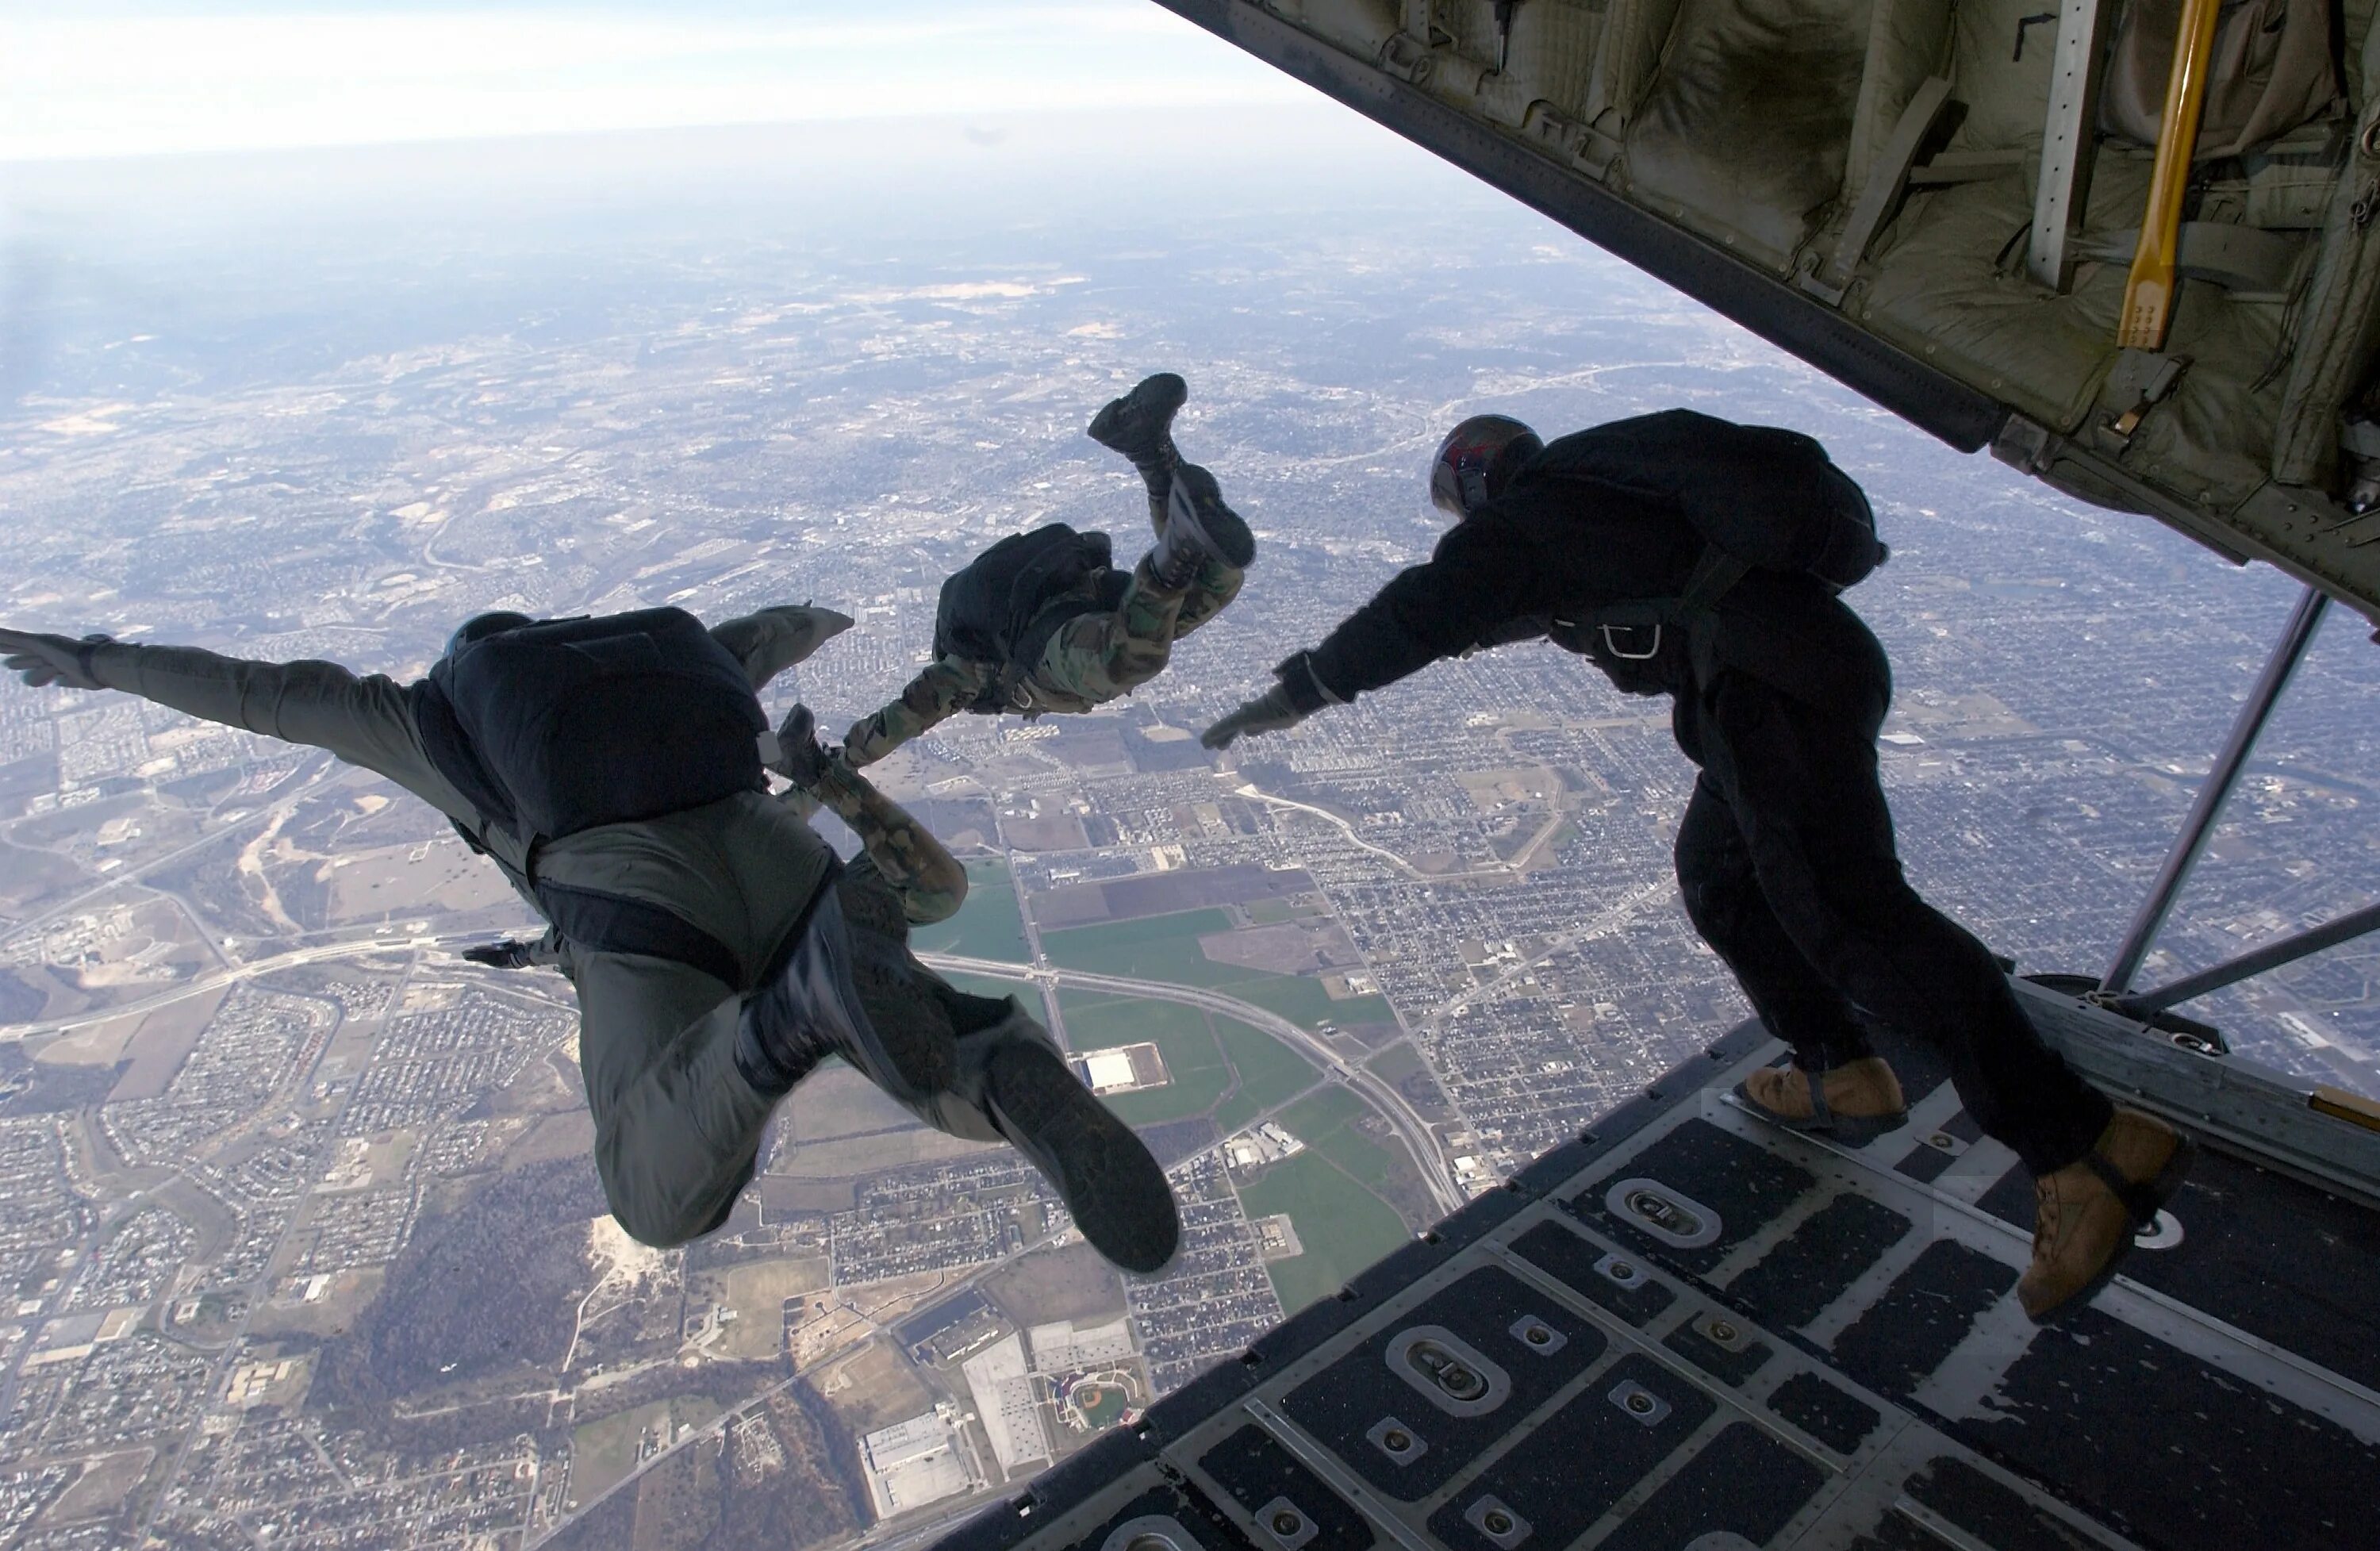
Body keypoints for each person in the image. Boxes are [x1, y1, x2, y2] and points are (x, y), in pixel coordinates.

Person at [1200, 408, 2191, 1324]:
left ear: (1471, 492)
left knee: (1856, 923)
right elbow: (1505, 612)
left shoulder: (1529, 525)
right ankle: (1841, 1072)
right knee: (1721, 881)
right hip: (1774, 684)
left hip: (1769, 693)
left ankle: (2083, 1146)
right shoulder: (1610, 500)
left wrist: (1300, 690)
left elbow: (1422, 610)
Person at [0, 607, 1180, 1273]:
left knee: (657, 1194)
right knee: (910, 1023)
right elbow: (759, 640)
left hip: (638, 897)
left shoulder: (427, 719)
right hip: (779, 853)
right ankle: (999, 1074)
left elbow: (257, 690)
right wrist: (810, 625)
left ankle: (802, 1010)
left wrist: (85, 661)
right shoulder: (677, 663)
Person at [844, 372, 1254, 766]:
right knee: (1220, 572)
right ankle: (1150, 450)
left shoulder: (963, 671)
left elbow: (899, 719)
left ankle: (1177, 551)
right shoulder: (973, 643)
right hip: (1085, 590)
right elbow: (895, 721)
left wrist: (836, 764)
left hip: (1058, 638)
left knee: (1130, 659)